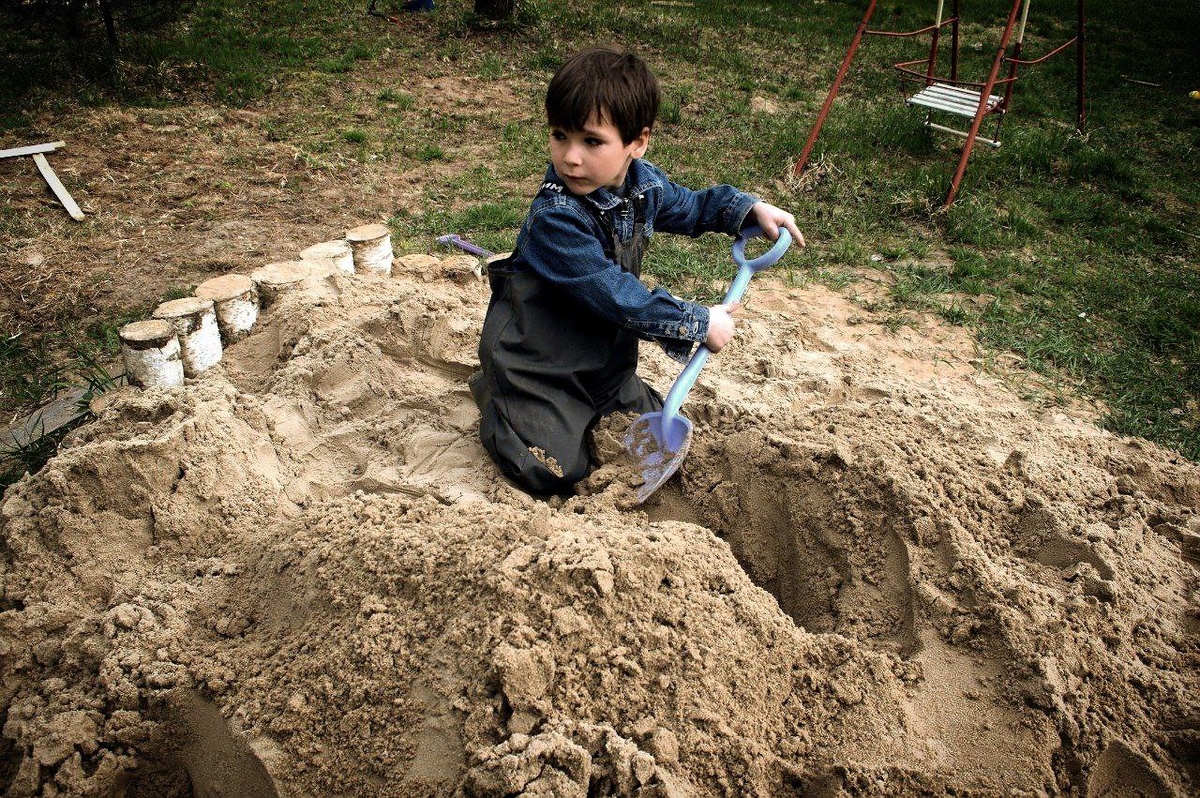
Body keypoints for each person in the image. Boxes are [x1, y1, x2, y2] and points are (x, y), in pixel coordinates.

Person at [470, 46, 804, 495]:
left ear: (637, 142)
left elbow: (692, 207)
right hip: (538, 370)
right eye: (559, 135)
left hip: (604, 368)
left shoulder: (642, 187)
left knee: (648, 424)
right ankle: (499, 399)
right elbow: (617, 296)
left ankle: (588, 403)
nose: (570, 157)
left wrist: (746, 210)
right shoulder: (556, 219)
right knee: (553, 470)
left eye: (591, 141)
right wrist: (697, 321)